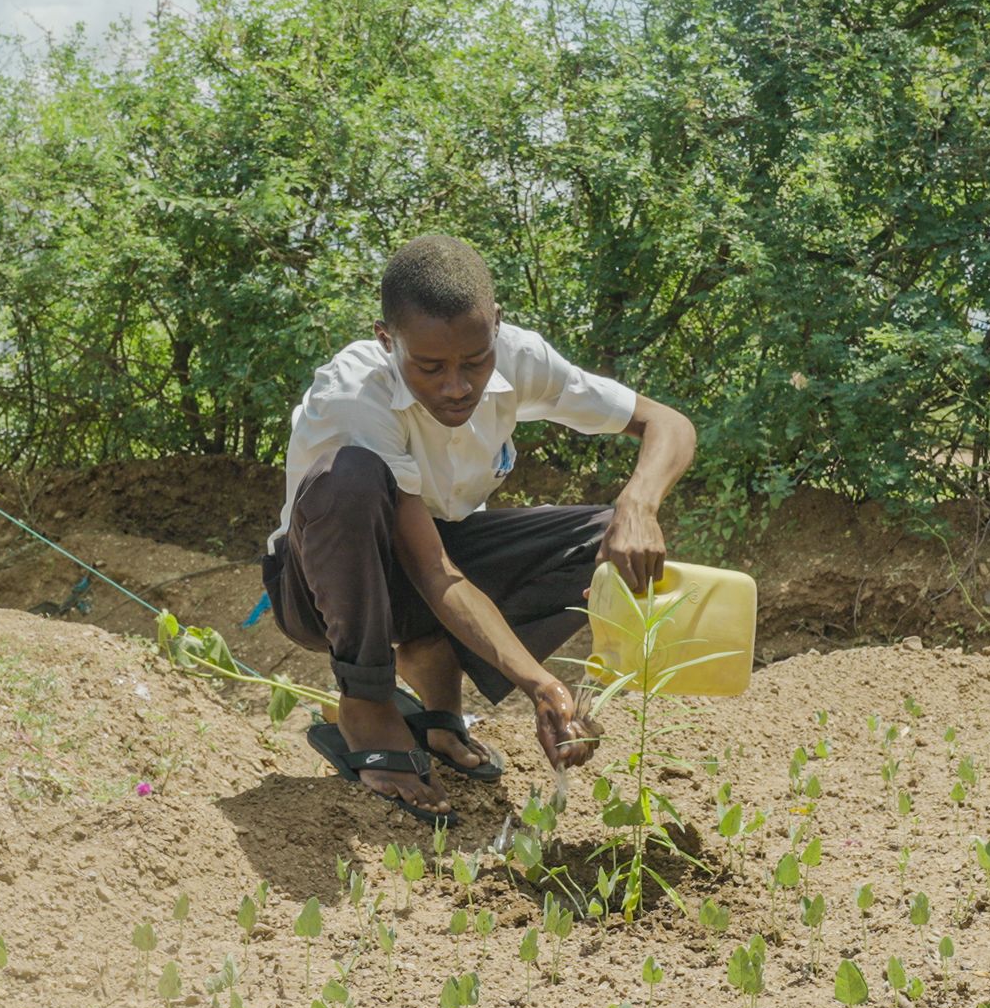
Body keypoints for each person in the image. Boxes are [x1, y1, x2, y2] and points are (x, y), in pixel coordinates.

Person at [261, 234, 697, 824]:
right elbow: (434, 572)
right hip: (318, 586)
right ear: (387, 340)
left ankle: (439, 712)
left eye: (474, 360)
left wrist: (639, 504)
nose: (457, 386)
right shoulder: (354, 397)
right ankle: (366, 701)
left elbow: (665, 422)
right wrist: (538, 684)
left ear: (495, 324)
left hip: (432, 559)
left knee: (599, 535)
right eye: (430, 366)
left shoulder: (519, 357)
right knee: (353, 478)